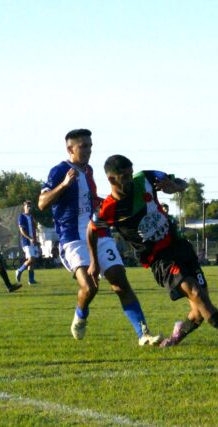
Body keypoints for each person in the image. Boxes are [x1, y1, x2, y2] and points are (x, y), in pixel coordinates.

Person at [89, 154, 218, 351]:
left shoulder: (145, 178)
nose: (130, 179)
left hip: (180, 246)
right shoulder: (107, 210)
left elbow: (182, 182)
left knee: (198, 310)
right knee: (196, 293)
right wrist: (94, 262)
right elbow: (90, 231)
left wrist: (176, 186)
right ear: (112, 179)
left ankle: (176, 334)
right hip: (159, 259)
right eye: (125, 177)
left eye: (130, 174)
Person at [39, 129, 162, 346]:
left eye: (90, 146)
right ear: (70, 149)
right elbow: (42, 203)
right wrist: (64, 185)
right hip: (72, 239)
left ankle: (143, 334)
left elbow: (91, 199)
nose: (88, 150)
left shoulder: (89, 171)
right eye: (83, 146)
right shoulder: (59, 171)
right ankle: (80, 314)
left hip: (99, 233)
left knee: (120, 282)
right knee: (90, 287)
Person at [16, 201, 40, 285]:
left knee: (32, 261)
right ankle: (19, 270)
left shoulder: (31, 217)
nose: (29, 208)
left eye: (30, 207)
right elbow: (22, 230)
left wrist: (35, 239)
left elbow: (34, 228)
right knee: (31, 258)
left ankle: (31, 280)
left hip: (33, 241)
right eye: (27, 206)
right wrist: (30, 238)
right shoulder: (21, 216)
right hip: (26, 242)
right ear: (24, 207)